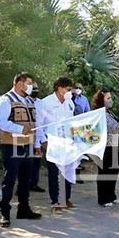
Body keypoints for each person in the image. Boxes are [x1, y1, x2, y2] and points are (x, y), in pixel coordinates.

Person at [0, 72, 42, 227]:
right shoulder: (6, 100)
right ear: (20, 84)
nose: (31, 86)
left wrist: (36, 145)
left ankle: (24, 209)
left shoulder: (29, 101)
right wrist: (20, 129)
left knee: (25, 179)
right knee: (9, 179)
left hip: (28, 144)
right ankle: (5, 213)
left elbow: (35, 125)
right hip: (12, 145)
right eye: (29, 83)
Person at [36, 77, 76, 208]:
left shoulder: (70, 103)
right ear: (60, 89)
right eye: (68, 89)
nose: (71, 92)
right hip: (52, 141)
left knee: (68, 170)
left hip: (67, 142)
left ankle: (66, 198)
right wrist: (43, 142)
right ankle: (56, 200)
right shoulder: (46, 102)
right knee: (54, 172)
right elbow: (39, 124)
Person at [94, 88, 119, 207]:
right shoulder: (101, 114)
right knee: (105, 172)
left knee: (113, 171)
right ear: (101, 100)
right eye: (108, 98)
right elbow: (114, 128)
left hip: (113, 145)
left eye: (110, 98)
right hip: (105, 147)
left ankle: (111, 195)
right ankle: (103, 198)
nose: (111, 100)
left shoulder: (109, 112)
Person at [71, 81, 91, 183]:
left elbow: (88, 112)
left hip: (80, 128)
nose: (78, 89)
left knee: (79, 153)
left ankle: (77, 176)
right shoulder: (68, 98)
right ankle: (68, 175)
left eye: (80, 87)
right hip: (69, 128)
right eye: (76, 87)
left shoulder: (84, 99)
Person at [28, 81, 44, 193]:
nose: (35, 90)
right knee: (25, 163)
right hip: (26, 137)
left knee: (37, 162)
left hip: (38, 136)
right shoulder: (23, 102)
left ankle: (34, 184)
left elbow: (42, 123)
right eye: (33, 88)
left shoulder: (41, 103)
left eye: (37, 88)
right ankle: (22, 186)